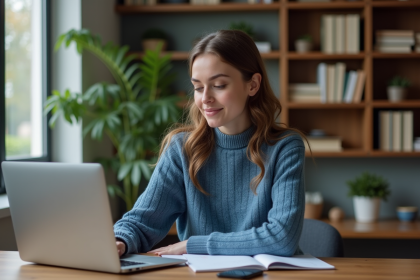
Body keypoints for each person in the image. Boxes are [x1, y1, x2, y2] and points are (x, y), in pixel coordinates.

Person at [114, 30, 306, 257]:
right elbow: (142, 221)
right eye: (197, 87)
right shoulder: (182, 149)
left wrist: (192, 245)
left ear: (253, 85)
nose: (205, 98)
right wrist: (119, 241)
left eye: (219, 85)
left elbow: (281, 238)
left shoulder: (285, 147)